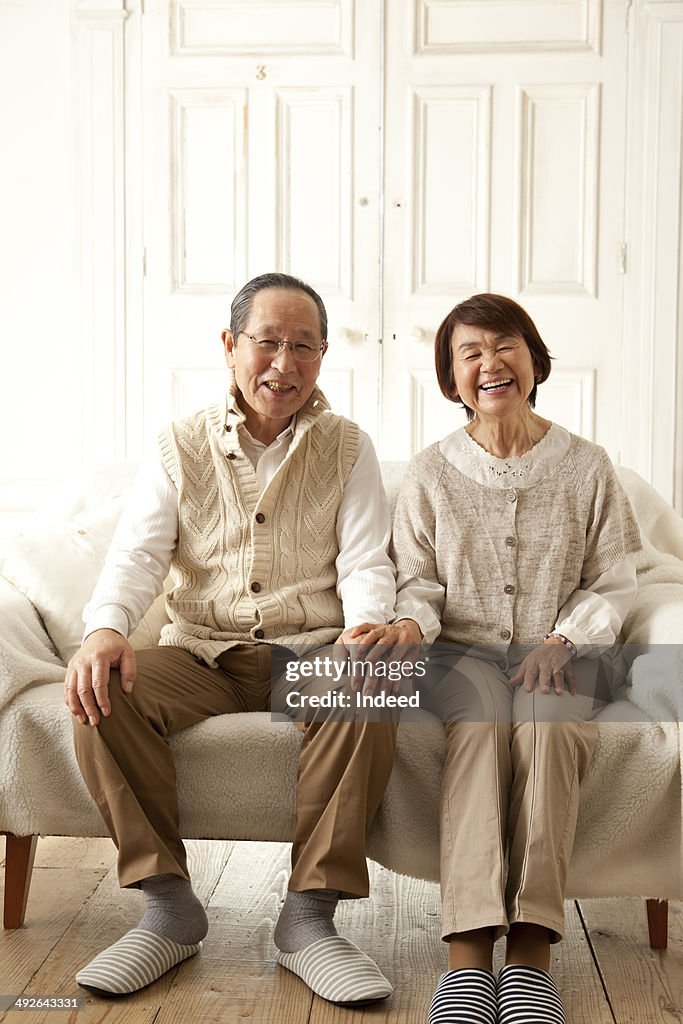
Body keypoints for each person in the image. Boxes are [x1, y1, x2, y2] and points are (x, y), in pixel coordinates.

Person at [64, 272, 409, 1005]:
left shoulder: (349, 447)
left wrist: (361, 633)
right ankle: (167, 911)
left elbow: (365, 560)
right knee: (95, 692)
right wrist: (104, 630)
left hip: (311, 652)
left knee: (376, 682)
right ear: (230, 346)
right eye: (268, 343)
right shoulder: (178, 445)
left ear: (321, 359)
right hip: (198, 653)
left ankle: (309, 921)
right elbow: (137, 556)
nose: (284, 364)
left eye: (304, 347)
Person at [390, 293, 642, 1024]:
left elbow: (614, 579)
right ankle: (467, 960)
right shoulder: (430, 472)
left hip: (564, 652)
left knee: (549, 723)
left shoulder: (587, 465)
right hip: (462, 657)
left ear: (533, 360)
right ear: (450, 379)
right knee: (477, 729)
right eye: (467, 354)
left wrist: (561, 640)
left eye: (503, 346)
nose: (488, 364)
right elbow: (416, 581)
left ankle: (530, 956)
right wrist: (410, 622)